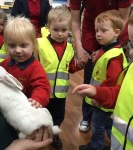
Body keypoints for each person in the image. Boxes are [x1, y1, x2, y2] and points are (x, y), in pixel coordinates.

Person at [73, 4, 133, 150]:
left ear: (117, 32)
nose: (132, 54)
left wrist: (99, 96)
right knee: (109, 125)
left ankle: (95, 147)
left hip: (103, 105)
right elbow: (120, 91)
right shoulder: (130, 64)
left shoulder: (114, 57)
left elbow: (112, 82)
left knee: (97, 126)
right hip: (108, 105)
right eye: (131, 45)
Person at [37, 6, 88, 149]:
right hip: (43, 91)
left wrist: (81, 65)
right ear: (49, 27)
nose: (60, 34)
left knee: (58, 117)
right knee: (41, 115)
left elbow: (70, 68)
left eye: (64, 30)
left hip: (60, 93)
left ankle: (54, 135)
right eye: (56, 30)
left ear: (70, 30)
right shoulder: (39, 44)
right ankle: (40, 135)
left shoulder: (70, 48)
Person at [0, 16, 50, 108]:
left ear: (33, 45)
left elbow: (42, 87)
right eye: (12, 45)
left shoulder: (35, 68)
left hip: (25, 110)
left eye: (23, 45)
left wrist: (37, 99)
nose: (18, 50)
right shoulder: (4, 64)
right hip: (5, 106)